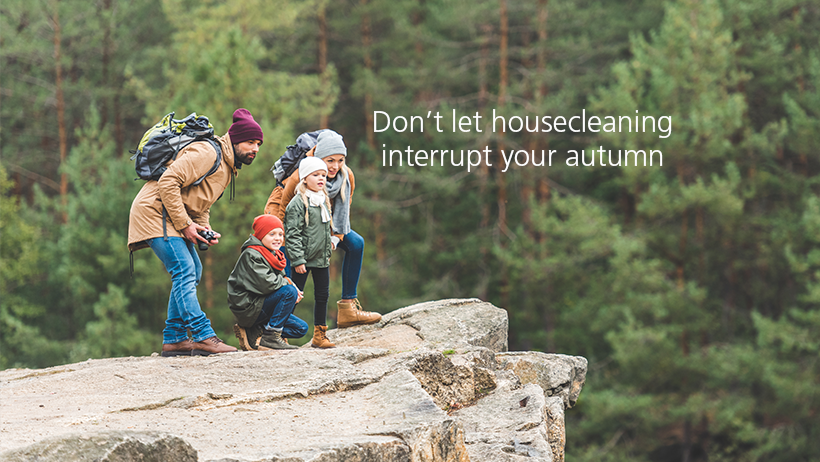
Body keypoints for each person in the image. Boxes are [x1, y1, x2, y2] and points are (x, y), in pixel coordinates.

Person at [128, 108, 263, 356]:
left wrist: (203, 226)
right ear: (234, 140)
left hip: (171, 215)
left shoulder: (227, 166)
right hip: (154, 212)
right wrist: (186, 225)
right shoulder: (208, 152)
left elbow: (199, 201)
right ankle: (202, 335)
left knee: (194, 270)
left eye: (258, 144)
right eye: (250, 142)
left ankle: (175, 338)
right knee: (184, 269)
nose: (255, 148)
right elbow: (169, 181)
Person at [265, 130, 381, 329]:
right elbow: (285, 214)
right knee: (290, 271)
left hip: (321, 221)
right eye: (330, 160)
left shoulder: (346, 176)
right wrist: (294, 249)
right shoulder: (298, 177)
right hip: (287, 222)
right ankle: (275, 326)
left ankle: (348, 308)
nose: (336, 166)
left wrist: (335, 238)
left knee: (356, 244)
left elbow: (343, 213)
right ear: (319, 158)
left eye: (341, 160)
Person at [227, 215, 307, 350]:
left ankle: (257, 330)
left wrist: (288, 283)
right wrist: (289, 284)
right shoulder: (252, 254)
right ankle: (270, 337)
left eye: (281, 234)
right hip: (248, 306)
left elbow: (279, 282)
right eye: (272, 234)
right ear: (261, 235)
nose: (278, 238)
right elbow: (267, 284)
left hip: (261, 304)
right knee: (289, 292)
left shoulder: (274, 254)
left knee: (301, 328)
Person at [285, 157, 338, 348]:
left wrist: (329, 243)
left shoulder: (323, 199)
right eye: (316, 175)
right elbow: (292, 234)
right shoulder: (298, 203)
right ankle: (277, 332)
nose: (321, 178)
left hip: (321, 259)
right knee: (293, 296)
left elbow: (323, 229)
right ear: (305, 178)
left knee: (322, 295)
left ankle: (319, 335)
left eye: (323, 175)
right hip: (303, 261)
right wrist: (298, 260)